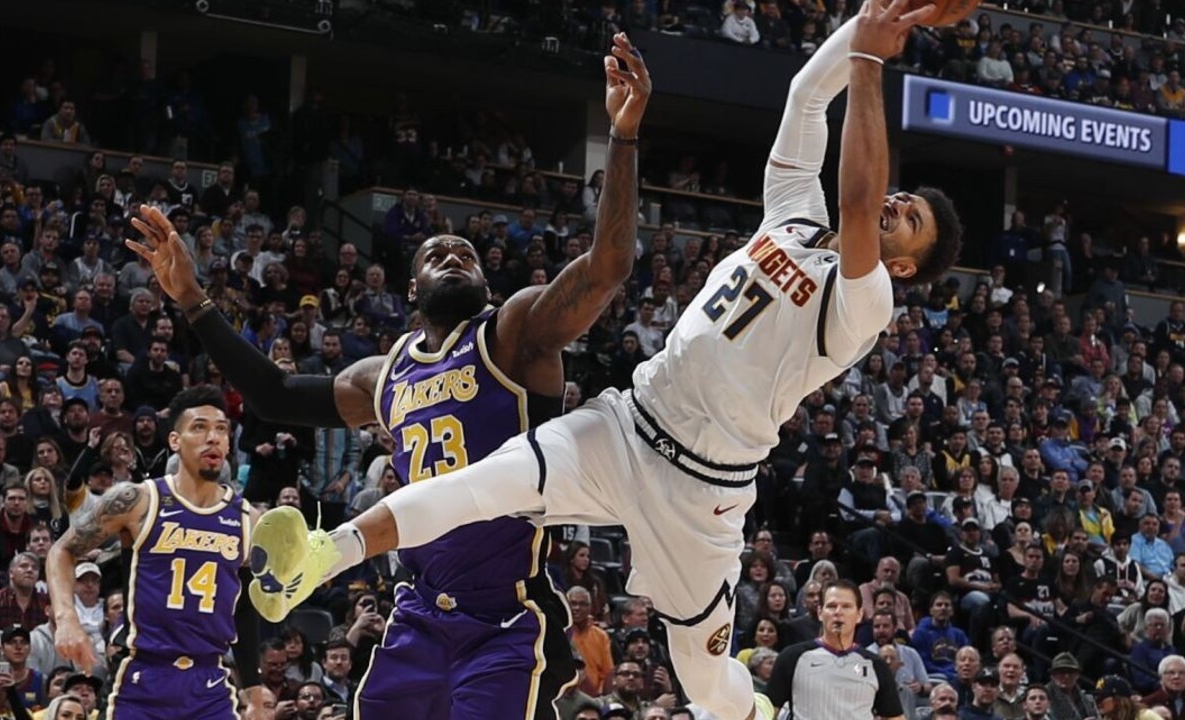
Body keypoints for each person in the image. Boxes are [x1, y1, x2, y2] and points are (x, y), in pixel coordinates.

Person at [247, 3, 960, 720]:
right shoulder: (793, 216)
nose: (900, 204)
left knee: (703, 680)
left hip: (703, 487)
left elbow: (859, 201)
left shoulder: (864, 300)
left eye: (914, 221)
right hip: (629, 425)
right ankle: (324, 553)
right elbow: (807, 93)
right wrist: (869, 17)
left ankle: (752, 713)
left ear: (904, 266)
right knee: (483, 481)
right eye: (907, 200)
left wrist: (869, 58)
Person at [126, 34, 651, 720]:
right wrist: (195, 302)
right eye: (438, 252)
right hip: (416, 618)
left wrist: (622, 137)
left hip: (503, 616)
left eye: (466, 253)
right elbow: (274, 395)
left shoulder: (514, 334)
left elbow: (608, 265)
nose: (455, 256)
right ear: (412, 286)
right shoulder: (386, 375)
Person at [44, 386, 262, 720]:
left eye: (221, 429)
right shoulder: (137, 500)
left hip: (210, 683)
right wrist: (66, 619)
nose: (213, 437)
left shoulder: (248, 519)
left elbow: (244, 609)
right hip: (145, 679)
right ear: (175, 440)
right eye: (200, 427)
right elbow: (61, 551)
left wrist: (253, 690)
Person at [766, 579, 902, 720]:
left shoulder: (876, 666)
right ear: (820, 612)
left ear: (859, 615)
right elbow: (766, 713)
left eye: (846, 606)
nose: (838, 612)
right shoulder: (792, 658)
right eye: (831, 606)